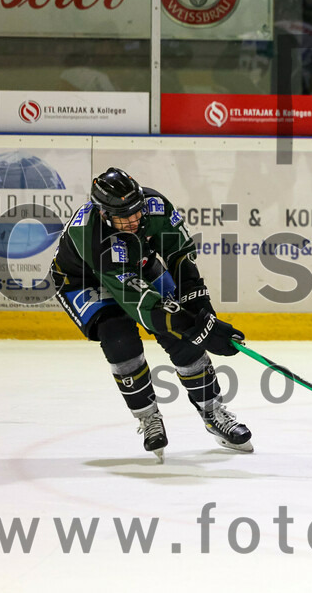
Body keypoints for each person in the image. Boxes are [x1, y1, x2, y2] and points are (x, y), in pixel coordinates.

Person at [50, 168, 251, 463]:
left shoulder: (155, 206)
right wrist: (191, 324)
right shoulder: (92, 235)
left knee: (184, 337)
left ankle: (213, 411)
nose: (133, 220)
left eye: (136, 211)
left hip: (140, 266)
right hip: (83, 280)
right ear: (104, 214)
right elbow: (141, 304)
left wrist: (202, 311)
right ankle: (148, 418)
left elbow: (179, 256)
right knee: (119, 338)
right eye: (123, 216)